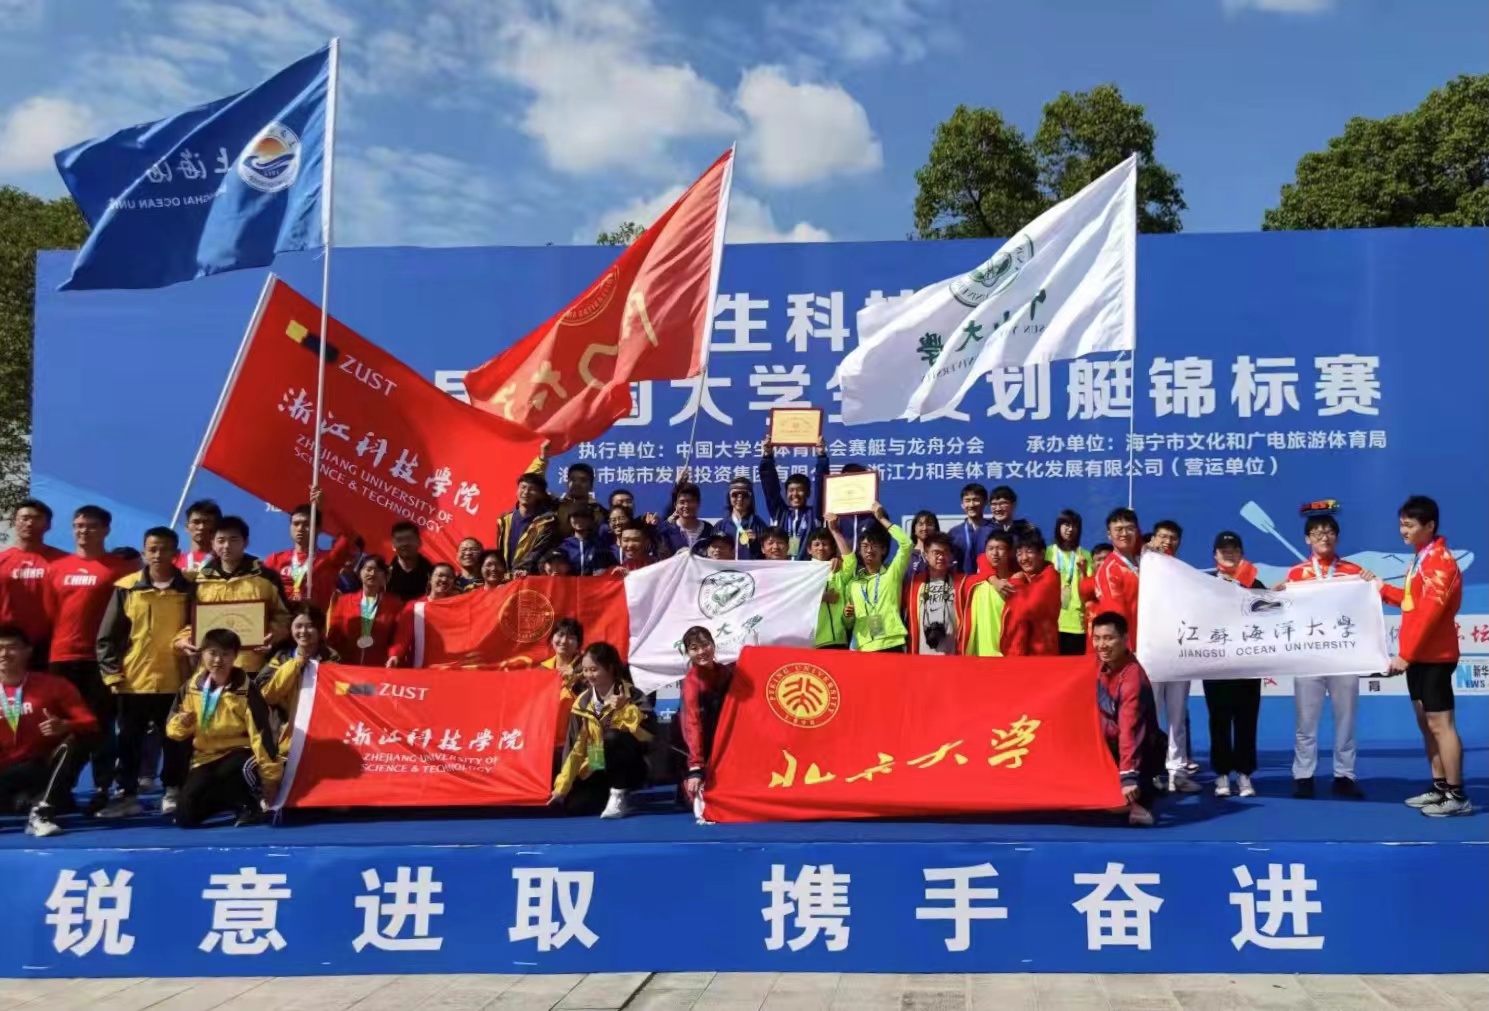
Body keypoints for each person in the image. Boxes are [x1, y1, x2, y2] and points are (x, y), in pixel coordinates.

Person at [1376, 495, 1468, 816]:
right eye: (1402, 524)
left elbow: (1429, 613)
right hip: (1420, 656)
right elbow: (1411, 601)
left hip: (1436, 656)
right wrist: (1379, 588)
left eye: (1410, 525)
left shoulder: (1440, 561)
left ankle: (1457, 795)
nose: (1404, 530)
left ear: (1429, 526)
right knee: (1426, 724)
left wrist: (1406, 654)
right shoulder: (1421, 558)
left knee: (1441, 725)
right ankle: (1439, 786)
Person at [95, 527, 193, 817]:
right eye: (152, 549)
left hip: (176, 679)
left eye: (165, 549)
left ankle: (172, 790)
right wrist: (112, 674)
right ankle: (127, 795)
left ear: (176, 553)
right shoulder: (127, 587)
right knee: (129, 741)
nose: (158, 555)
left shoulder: (190, 587)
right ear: (144, 552)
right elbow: (107, 637)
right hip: (133, 680)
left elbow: (198, 626)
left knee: (175, 739)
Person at [44, 504, 133, 806]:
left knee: (101, 725)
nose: (84, 531)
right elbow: (49, 612)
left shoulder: (121, 569)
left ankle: (102, 788)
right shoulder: (57, 567)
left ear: (106, 530)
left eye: (91, 526)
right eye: (79, 526)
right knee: (60, 726)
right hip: (61, 658)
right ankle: (58, 790)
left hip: (100, 659)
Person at [1283, 512, 1367, 799]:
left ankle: (1345, 775)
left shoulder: (1354, 572)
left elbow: (1366, 608)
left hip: (1344, 656)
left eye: (1329, 532)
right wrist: (1277, 595)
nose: (1324, 537)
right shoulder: (1295, 574)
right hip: (1309, 657)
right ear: (1307, 539)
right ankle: (1303, 775)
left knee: (1346, 719)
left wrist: (1371, 583)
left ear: (1337, 537)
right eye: (1317, 533)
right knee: (1306, 721)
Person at [166, 628, 281, 827]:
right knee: (185, 817)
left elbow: (262, 735)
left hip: (242, 753)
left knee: (235, 770)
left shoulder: (246, 689)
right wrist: (182, 724)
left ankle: (250, 804)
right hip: (205, 757)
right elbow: (172, 729)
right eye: (212, 653)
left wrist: (270, 778)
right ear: (202, 654)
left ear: (235, 657)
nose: (218, 660)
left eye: (225, 654)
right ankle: (229, 801)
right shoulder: (191, 688)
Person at [0, 625, 98, 837]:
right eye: (0, 648)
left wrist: (65, 725)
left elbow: (90, 722)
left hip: (42, 767)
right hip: (4, 770)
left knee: (79, 739)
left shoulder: (53, 685)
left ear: (28, 651)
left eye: (12, 647)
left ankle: (42, 812)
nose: (4, 654)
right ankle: (28, 803)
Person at [551, 642, 654, 819]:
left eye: (594, 669)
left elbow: (648, 734)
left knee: (612, 738)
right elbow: (574, 750)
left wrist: (625, 708)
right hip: (596, 763)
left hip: (631, 763)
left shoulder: (632, 694)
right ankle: (607, 795)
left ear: (610, 668)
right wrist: (562, 788)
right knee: (575, 806)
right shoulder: (582, 702)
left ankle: (620, 792)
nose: (588, 675)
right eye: (585, 670)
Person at [181, 516, 291, 676]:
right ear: (212, 543)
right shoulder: (200, 580)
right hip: (210, 666)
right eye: (221, 540)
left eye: (233, 540)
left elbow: (284, 617)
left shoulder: (267, 578)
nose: (226, 546)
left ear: (245, 542)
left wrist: (271, 636)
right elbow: (188, 621)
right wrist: (184, 639)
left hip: (251, 665)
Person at [1091, 611, 1166, 827]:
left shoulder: (1132, 677)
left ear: (1125, 639)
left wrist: (1127, 777)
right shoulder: (1095, 666)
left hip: (1138, 748)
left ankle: (1142, 791)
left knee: (1131, 810)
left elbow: (1129, 729)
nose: (1102, 645)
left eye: (1109, 638)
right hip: (1105, 744)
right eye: (1097, 638)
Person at [1207, 532, 1263, 798]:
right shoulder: (1204, 584)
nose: (1229, 553)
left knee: (1246, 720)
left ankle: (1244, 774)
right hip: (1216, 663)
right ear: (1215, 555)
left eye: (1234, 549)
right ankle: (1221, 775)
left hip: (1248, 664)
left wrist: (1278, 596)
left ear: (1241, 553)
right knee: (1219, 720)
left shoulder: (1255, 583)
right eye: (1223, 550)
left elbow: (1271, 615)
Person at [0, 499, 66, 666]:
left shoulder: (64, 561)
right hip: (7, 642)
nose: (30, 523)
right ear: (15, 522)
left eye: (37, 518)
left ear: (48, 525)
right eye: (25, 518)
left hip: (50, 643)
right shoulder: (2, 560)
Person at [263, 497, 359, 611]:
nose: (300, 528)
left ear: (318, 529)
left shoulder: (329, 559)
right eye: (296, 524)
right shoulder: (275, 559)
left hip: (313, 618)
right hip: (281, 617)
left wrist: (326, 507)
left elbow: (350, 534)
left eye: (306, 524)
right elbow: (263, 591)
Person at [843, 503, 913, 653]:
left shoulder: (892, 573)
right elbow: (848, 623)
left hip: (891, 642)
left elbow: (906, 544)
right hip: (864, 645)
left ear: (884, 550)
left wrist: (881, 519)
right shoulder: (854, 584)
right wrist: (848, 615)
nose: (869, 550)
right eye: (865, 546)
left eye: (874, 546)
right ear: (859, 551)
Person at [679, 626, 734, 809]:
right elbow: (692, 723)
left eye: (705, 645)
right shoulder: (692, 682)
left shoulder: (727, 672)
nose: (701, 652)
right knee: (706, 802)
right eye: (694, 648)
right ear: (688, 653)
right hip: (699, 741)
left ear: (713, 645)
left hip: (725, 738)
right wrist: (696, 766)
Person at [759, 434, 829, 560]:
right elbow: (770, 487)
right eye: (791, 491)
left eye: (800, 490)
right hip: (783, 568)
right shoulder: (780, 513)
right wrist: (768, 456)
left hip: (807, 568)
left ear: (808, 493)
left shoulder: (814, 514)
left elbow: (821, 486)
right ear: (786, 493)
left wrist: (821, 456)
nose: (795, 494)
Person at [327, 556, 405, 667]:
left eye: (377, 570)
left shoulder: (394, 604)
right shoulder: (344, 601)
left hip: (381, 666)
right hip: (347, 666)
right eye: (368, 569)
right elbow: (334, 634)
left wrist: (394, 655)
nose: (372, 573)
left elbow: (399, 637)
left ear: (385, 576)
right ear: (359, 573)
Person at [904, 533, 973, 655]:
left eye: (945, 552)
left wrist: (992, 578)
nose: (941, 557)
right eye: (936, 553)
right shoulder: (914, 584)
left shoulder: (962, 582)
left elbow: (984, 567)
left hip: (953, 656)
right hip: (921, 656)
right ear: (925, 555)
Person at [1002, 528, 1062, 657]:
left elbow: (1026, 610)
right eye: (1019, 554)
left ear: (1041, 553)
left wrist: (1017, 583)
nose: (1024, 558)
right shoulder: (1027, 577)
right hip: (1019, 651)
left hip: (1041, 653)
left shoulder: (1050, 577)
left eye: (1029, 552)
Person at [390, 564, 460, 662]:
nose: (444, 580)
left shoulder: (458, 607)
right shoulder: (415, 606)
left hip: (449, 664)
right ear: (430, 579)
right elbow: (403, 635)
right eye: (440, 575)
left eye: (449, 577)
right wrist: (395, 655)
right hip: (421, 666)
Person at [496, 471, 560, 575]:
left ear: (540, 495)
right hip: (506, 577)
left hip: (529, 577)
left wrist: (523, 569)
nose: (526, 492)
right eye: (523, 487)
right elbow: (500, 551)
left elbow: (539, 551)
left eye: (532, 489)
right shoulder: (504, 520)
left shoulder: (547, 522)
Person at [963, 532, 1016, 657]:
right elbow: (981, 558)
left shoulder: (1017, 584)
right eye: (990, 549)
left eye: (1000, 548)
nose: (995, 553)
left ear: (1010, 552)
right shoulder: (974, 585)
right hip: (981, 658)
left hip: (1010, 655)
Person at [1047, 510, 1092, 656]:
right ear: (1058, 527)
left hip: (1076, 622)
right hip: (1051, 622)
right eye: (1066, 525)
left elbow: (1089, 590)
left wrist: (1084, 572)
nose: (1070, 529)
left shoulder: (1085, 555)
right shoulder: (1048, 552)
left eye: (1074, 526)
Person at [809, 527, 851, 649]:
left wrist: (834, 530)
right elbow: (795, 598)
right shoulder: (802, 572)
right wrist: (822, 597)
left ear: (832, 549)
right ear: (809, 549)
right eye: (816, 544)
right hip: (813, 641)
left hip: (838, 639)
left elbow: (851, 560)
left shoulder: (838, 570)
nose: (821, 548)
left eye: (825, 544)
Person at [716, 477, 767, 560]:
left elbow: (767, 557)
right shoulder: (720, 526)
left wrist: (756, 544)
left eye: (745, 495)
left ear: (751, 498)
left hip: (750, 568)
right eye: (735, 494)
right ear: (729, 497)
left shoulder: (759, 525)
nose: (740, 499)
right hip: (726, 568)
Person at [658, 482, 713, 557]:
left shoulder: (710, 530)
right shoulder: (666, 531)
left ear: (698, 503)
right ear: (675, 505)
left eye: (691, 501)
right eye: (682, 502)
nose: (686, 506)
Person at [948, 483, 992, 576]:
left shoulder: (994, 530)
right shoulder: (954, 533)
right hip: (962, 581)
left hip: (990, 581)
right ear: (962, 505)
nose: (971, 505)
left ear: (985, 502)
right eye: (967, 500)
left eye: (976, 500)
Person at [559, 507, 617, 576]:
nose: (579, 520)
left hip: (595, 582)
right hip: (570, 582)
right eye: (575, 516)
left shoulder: (600, 544)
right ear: (569, 520)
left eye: (584, 516)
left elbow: (610, 566)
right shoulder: (564, 546)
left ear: (591, 520)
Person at [386, 522, 435, 602]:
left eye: (409, 539)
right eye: (400, 540)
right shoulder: (385, 575)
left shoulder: (432, 574)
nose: (405, 544)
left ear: (419, 542)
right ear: (393, 545)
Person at [554, 463, 609, 532]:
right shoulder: (555, 507)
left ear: (591, 486)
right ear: (567, 483)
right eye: (573, 480)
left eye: (583, 480)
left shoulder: (601, 513)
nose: (577, 484)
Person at [176, 499, 221, 572]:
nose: (201, 527)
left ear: (216, 528)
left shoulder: (225, 563)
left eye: (207, 523)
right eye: (196, 522)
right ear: (187, 527)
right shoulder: (174, 561)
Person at [907, 510, 941, 579]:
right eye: (921, 524)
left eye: (929, 524)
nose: (925, 528)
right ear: (914, 529)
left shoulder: (942, 554)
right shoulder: (906, 554)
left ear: (935, 528)